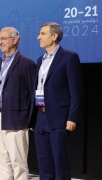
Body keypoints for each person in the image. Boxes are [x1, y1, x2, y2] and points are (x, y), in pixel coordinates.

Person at [28, 22, 83, 179]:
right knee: (44, 164)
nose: (39, 37)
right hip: (40, 117)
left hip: (59, 117)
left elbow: (76, 91)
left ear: (54, 36)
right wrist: (34, 118)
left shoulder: (69, 57)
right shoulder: (40, 60)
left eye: (43, 34)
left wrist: (72, 117)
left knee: (60, 163)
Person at [0, 27, 36, 180]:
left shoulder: (26, 63)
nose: (0, 42)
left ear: (14, 40)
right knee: (0, 160)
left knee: (18, 162)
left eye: (3, 39)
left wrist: (31, 120)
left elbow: (33, 94)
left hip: (17, 118)